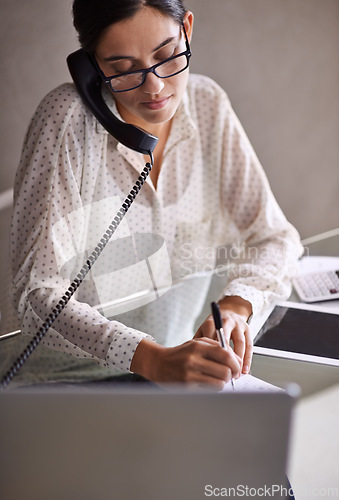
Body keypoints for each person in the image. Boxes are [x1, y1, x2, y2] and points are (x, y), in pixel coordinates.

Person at [4, 0, 303, 389]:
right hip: (66, 381)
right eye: (124, 69)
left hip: (178, 371)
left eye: (166, 56)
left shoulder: (208, 104)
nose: (155, 87)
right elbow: (37, 293)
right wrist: (148, 358)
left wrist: (235, 307)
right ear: (91, 65)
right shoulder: (66, 121)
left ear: (187, 30)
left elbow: (275, 237)